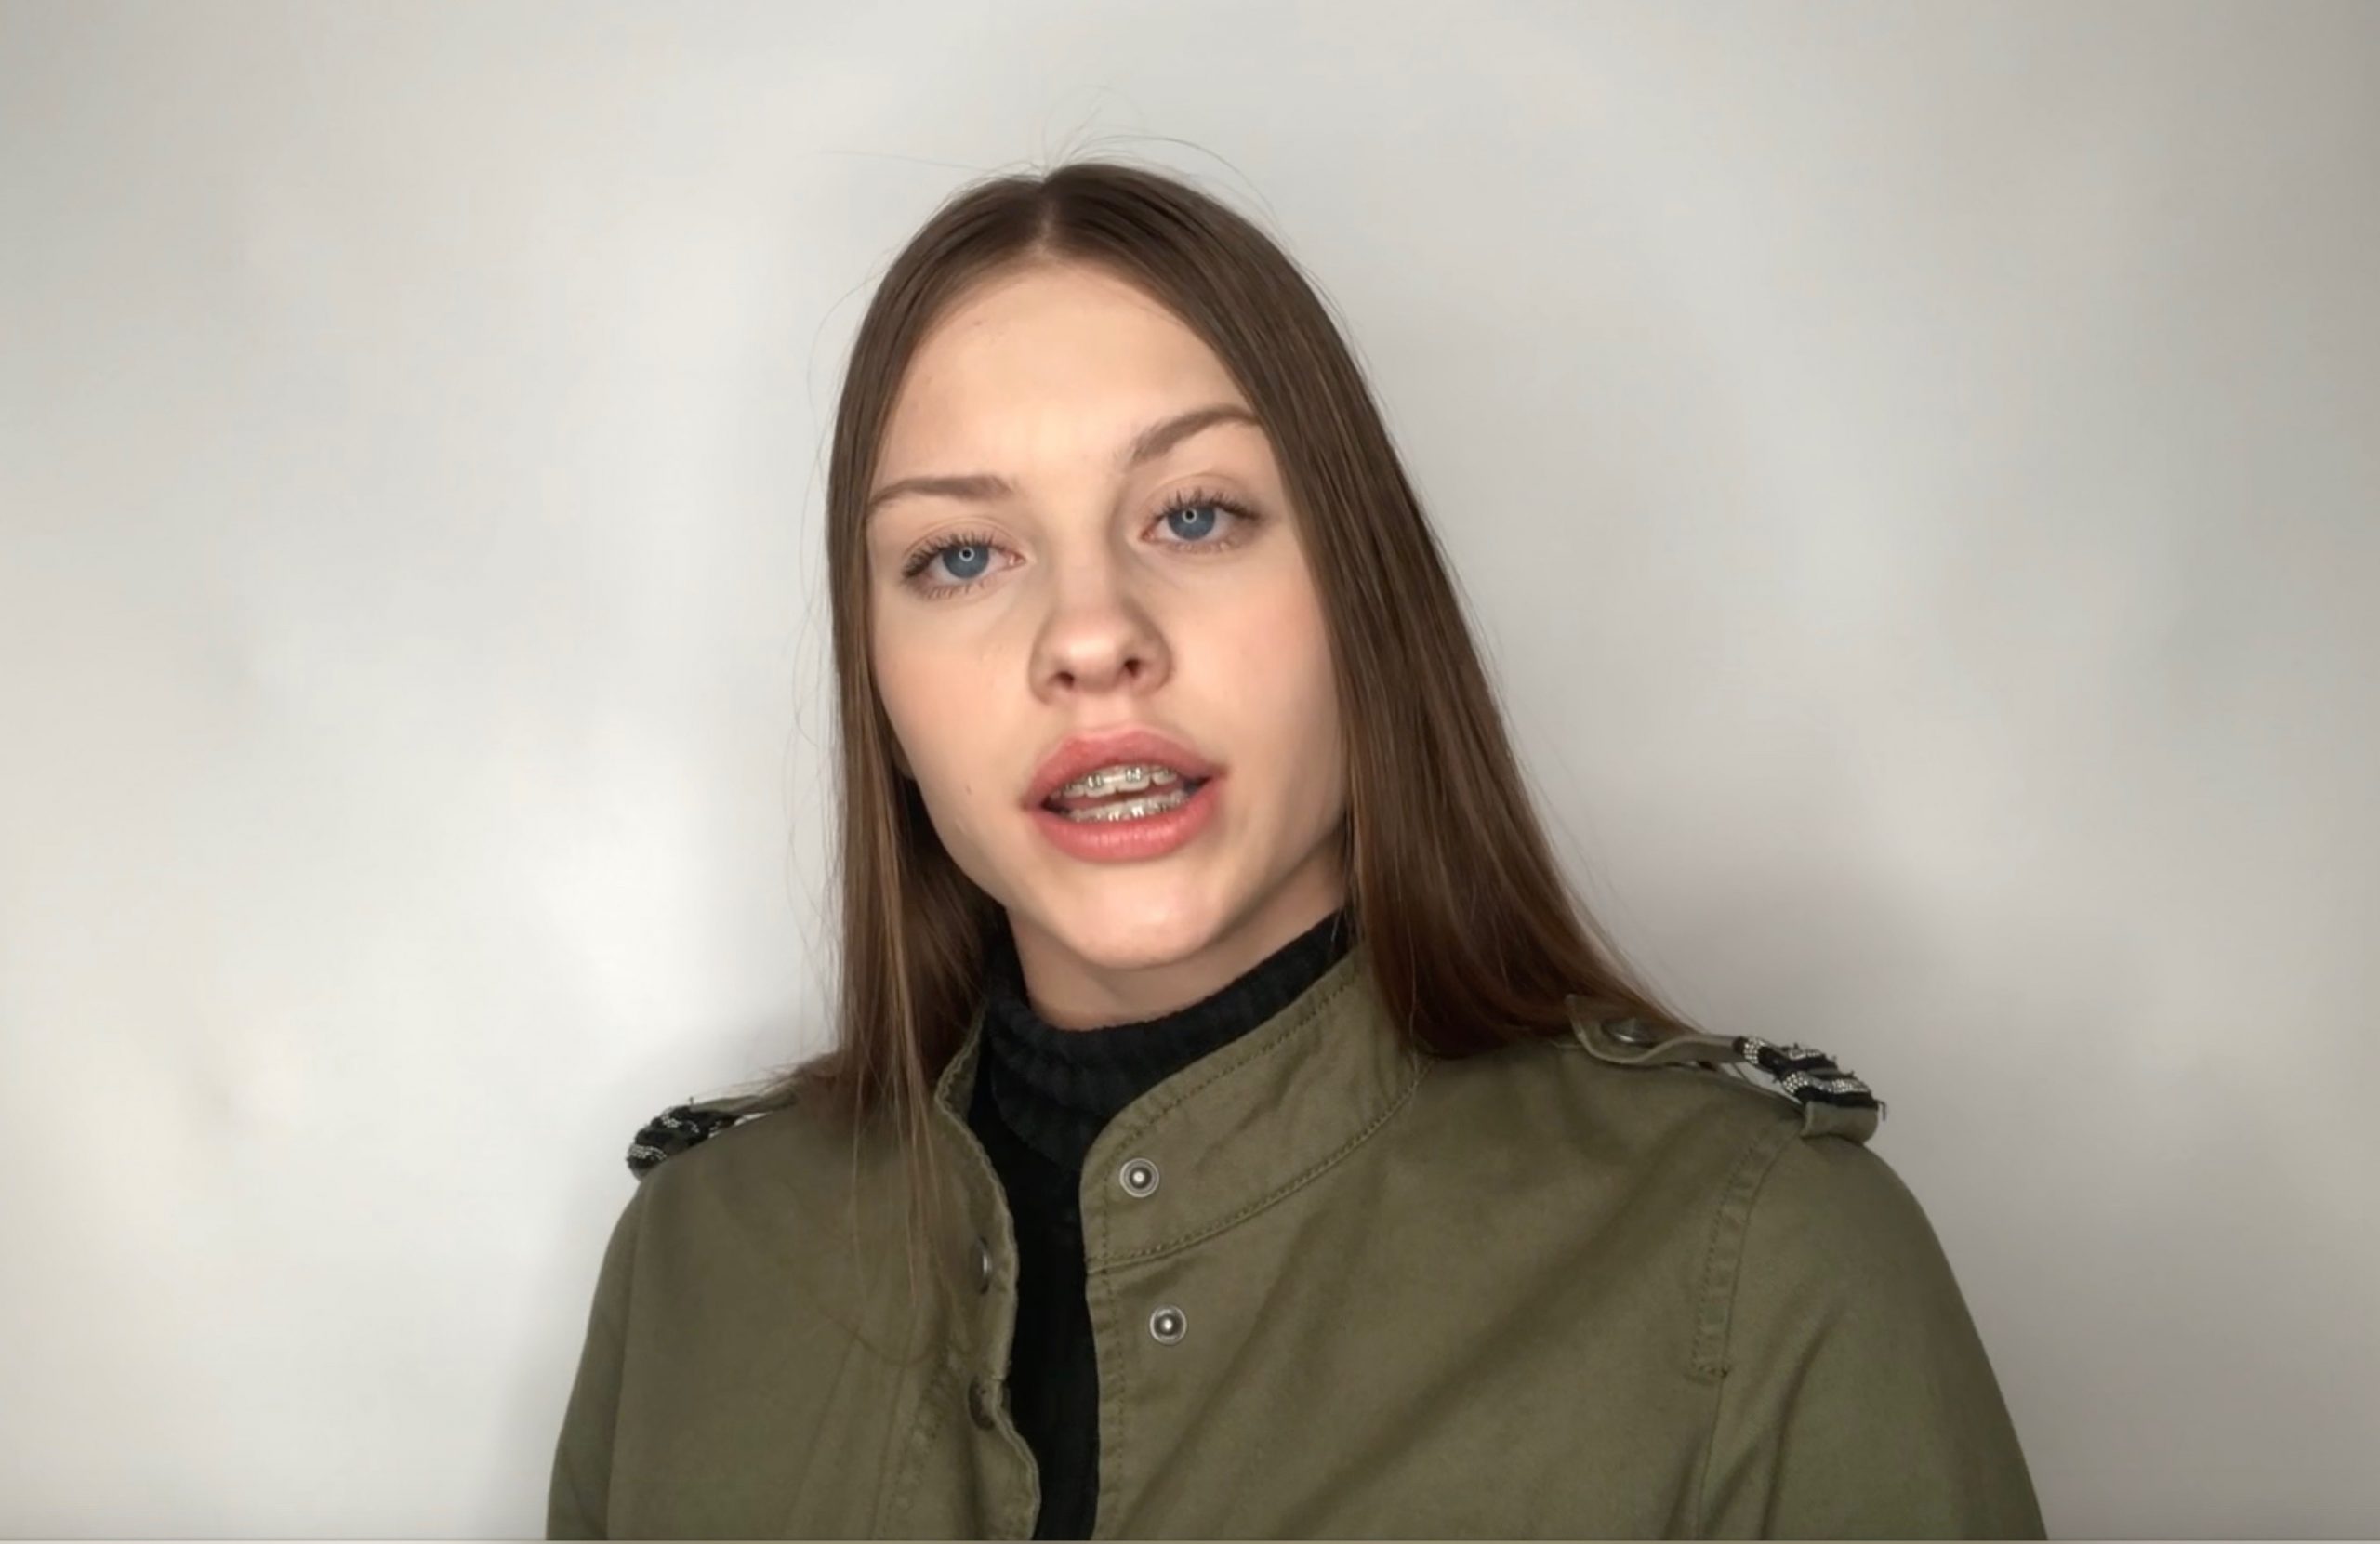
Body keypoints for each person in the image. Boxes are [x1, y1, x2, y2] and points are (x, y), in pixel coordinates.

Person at [546, 159, 2045, 1540]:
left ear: (1360, 593)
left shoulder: (1763, 1257)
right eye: (959, 554)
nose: (1091, 636)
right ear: (877, 678)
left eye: (1195, 515)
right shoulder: (695, 1265)